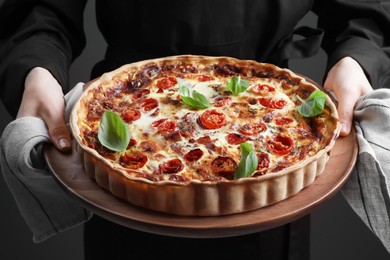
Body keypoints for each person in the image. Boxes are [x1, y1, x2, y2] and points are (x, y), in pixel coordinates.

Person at [0, 0, 389, 259]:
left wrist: (356, 59)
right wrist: (38, 69)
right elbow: (39, 8)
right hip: (125, 126)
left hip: (273, 172)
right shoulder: (105, 112)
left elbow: (363, 10)